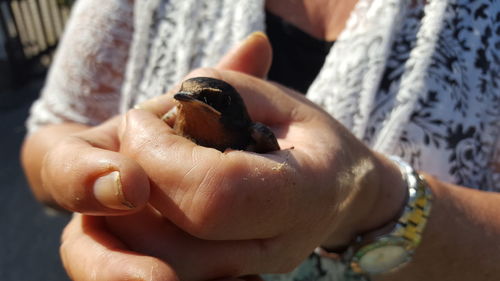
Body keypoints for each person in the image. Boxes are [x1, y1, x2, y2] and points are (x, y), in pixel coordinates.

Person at [21, 0, 500, 280]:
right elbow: (53, 131)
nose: (187, 101)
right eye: (183, 99)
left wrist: (371, 198)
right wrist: (93, 173)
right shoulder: (178, 113)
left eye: (202, 99)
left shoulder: (250, 134)